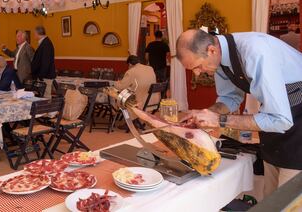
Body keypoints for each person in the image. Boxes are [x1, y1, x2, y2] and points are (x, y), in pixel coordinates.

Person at [176, 29, 302, 197]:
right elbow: (231, 98)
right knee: (270, 198)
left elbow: (280, 119)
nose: (197, 73)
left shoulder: (255, 52)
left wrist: (219, 120)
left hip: (296, 125)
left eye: (198, 66)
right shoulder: (219, 57)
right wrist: (206, 113)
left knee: (288, 201)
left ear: (211, 50)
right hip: (274, 124)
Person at [115, 55, 158, 128]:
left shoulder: (131, 71)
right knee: (132, 94)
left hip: (140, 102)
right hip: (154, 100)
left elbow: (121, 87)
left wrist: (116, 82)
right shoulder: (150, 68)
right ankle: (135, 121)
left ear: (130, 64)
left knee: (122, 98)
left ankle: (130, 123)